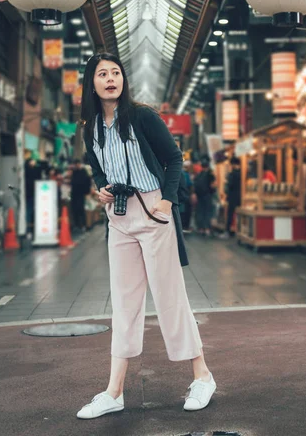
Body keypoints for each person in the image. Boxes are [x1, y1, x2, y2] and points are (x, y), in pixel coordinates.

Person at [77, 53, 216, 420]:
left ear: (123, 80)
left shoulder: (142, 116)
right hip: (119, 216)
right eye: (102, 74)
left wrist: (167, 202)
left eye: (116, 73)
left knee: (170, 297)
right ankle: (114, 392)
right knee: (123, 303)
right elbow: (96, 166)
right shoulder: (89, 126)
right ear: (91, 83)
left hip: (153, 210)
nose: (111, 79)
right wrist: (100, 189)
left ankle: (202, 376)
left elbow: (174, 158)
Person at [193, 159, 217, 237]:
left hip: (200, 196)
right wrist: (213, 191)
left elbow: (195, 186)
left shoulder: (198, 175)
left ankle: (201, 228)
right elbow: (213, 185)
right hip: (208, 196)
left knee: (200, 212)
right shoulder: (210, 175)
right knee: (208, 212)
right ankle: (207, 229)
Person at [70, 159, 91, 232]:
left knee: (81, 209)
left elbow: (87, 182)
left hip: (81, 194)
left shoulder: (83, 172)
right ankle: (77, 225)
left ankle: (83, 225)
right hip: (74, 194)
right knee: (74, 209)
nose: (76, 166)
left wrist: (87, 193)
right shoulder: (74, 172)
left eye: (77, 164)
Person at [224, 156, 241, 238]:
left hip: (232, 196)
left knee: (230, 214)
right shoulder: (242, 173)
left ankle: (228, 231)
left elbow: (229, 185)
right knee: (239, 215)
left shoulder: (232, 174)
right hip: (240, 197)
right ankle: (238, 230)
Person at [180, 160, 193, 232]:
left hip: (180, 195)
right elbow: (189, 185)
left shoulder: (180, 172)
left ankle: (182, 226)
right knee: (186, 211)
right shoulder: (186, 174)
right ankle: (185, 227)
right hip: (185, 195)